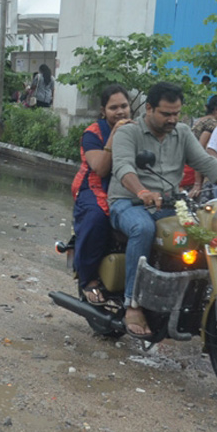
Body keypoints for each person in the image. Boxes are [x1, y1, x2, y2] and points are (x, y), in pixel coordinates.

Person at [107, 81, 217, 338]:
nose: (172, 119)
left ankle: (197, 297)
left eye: (176, 114)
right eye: (166, 114)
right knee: (143, 228)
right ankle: (132, 303)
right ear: (149, 108)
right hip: (128, 202)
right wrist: (142, 191)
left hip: (170, 203)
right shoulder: (128, 133)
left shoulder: (182, 133)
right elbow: (123, 167)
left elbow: (205, 162)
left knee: (208, 230)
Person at [73, 85, 132, 305]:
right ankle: (88, 280)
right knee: (98, 216)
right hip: (95, 186)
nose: (120, 112)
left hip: (129, 186)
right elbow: (100, 168)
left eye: (124, 106)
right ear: (103, 111)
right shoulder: (93, 133)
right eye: (113, 107)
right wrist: (115, 134)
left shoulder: (138, 129)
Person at [182, 93, 217, 195]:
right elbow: (200, 150)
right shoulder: (212, 123)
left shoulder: (202, 120)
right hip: (193, 169)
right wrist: (197, 183)